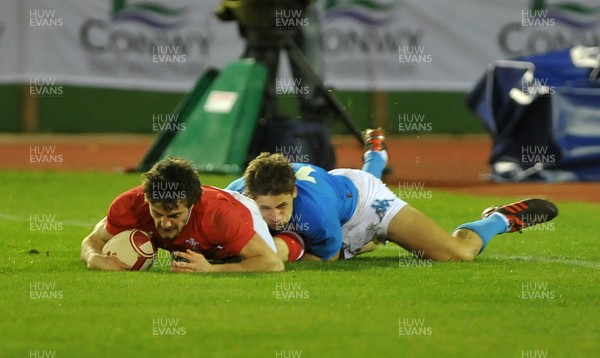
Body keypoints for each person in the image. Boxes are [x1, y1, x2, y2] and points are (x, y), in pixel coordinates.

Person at [226, 129, 559, 261]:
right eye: (265, 208)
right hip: (340, 186)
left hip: (367, 202)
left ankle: (499, 219)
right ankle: (376, 157)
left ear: (294, 192)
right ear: (248, 195)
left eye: (282, 206)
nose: (275, 217)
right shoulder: (239, 193)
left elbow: (325, 259)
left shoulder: (315, 211)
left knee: (456, 254)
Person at [81, 157, 285, 272]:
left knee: (280, 253)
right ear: (147, 200)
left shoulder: (220, 216)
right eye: (157, 213)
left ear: (192, 205)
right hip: (202, 235)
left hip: (242, 214)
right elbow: (94, 239)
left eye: (174, 216)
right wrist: (94, 258)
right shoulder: (130, 205)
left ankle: (297, 242)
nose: (165, 224)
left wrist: (212, 270)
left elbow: (272, 264)